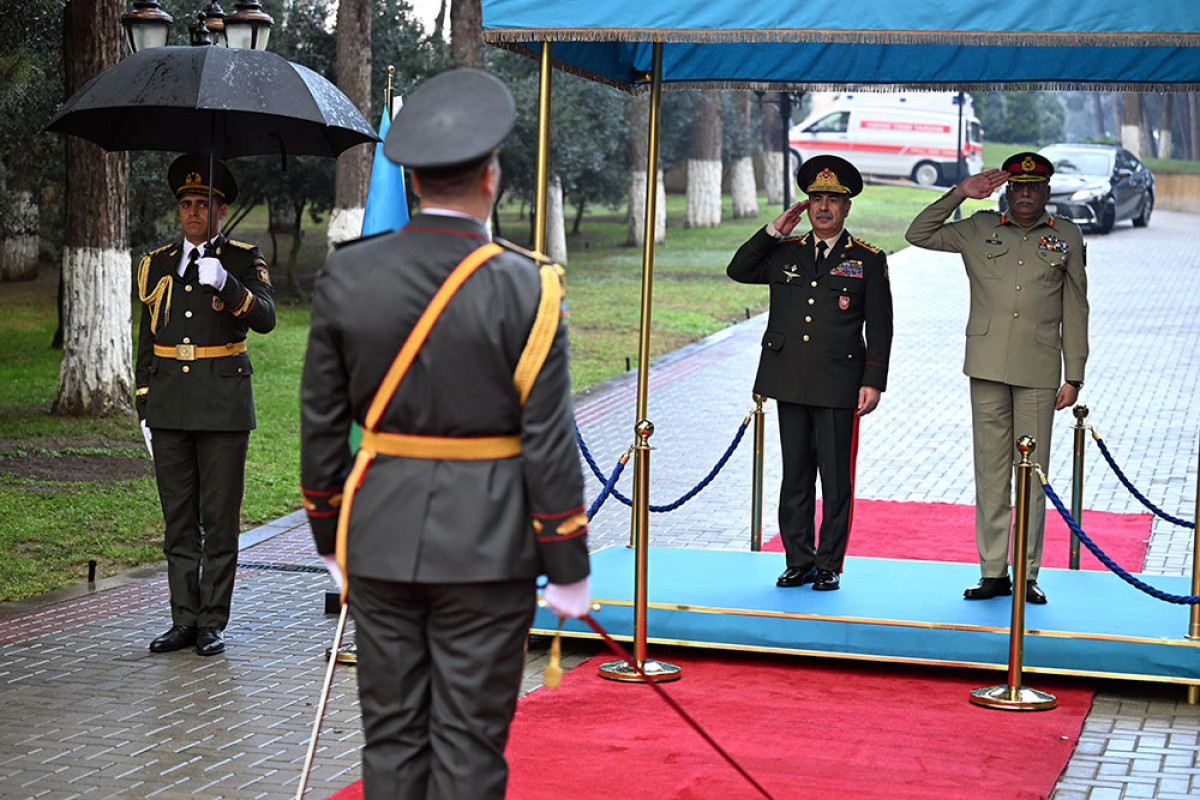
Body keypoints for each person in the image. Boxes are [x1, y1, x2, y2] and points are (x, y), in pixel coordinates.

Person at [299, 68, 591, 799]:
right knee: (468, 742)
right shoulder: (530, 285)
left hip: (378, 538)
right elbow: (548, 440)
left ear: (416, 181)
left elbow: (321, 426)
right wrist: (567, 564)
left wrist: (330, 538)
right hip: (486, 549)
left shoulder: (347, 275)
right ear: (490, 177)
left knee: (392, 737)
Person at [905, 152, 1089, 605]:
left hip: (1040, 371)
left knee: (1031, 473)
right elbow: (918, 234)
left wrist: (1075, 374)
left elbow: (1076, 307)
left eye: (1034, 187)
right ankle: (993, 571)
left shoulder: (1066, 235)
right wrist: (959, 194)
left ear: (1047, 192)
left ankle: (1026, 574)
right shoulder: (979, 227)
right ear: (1007, 190)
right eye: (1018, 187)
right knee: (990, 472)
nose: (1025, 194)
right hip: (986, 366)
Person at [727, 155, 893, 592]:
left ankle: (829, 563)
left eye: (832, 200)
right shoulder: (786, 250)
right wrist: (773, 231)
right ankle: (798, 559)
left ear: (846, 207)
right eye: (816, 198)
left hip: (839, 384)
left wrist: (872, 380)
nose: (823, 207)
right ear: (806, 204)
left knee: (835, 479)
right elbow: (738, 270)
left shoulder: (867, 260)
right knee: (795, 476)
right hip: (789, 379)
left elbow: (880, 326)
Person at [137, 154, 276, 656]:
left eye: (204, 203)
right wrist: (144, 404)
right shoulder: (156, 262)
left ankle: (212, 621)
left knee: (218, 519)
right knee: (178, 519)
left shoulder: (241, 258)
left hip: (222, 404)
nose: (194, 212)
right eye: (187, 204)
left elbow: (265, 319)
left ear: (220, 210)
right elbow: (146, 339)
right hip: (170, 403)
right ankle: (183, 619)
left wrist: (227, 284)